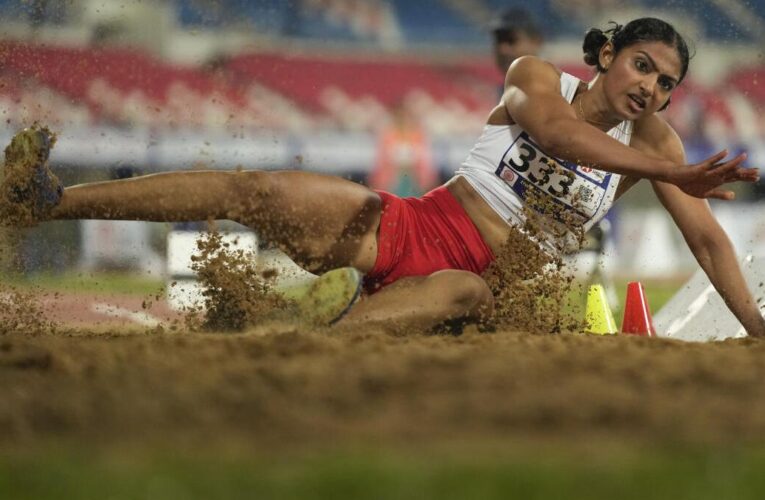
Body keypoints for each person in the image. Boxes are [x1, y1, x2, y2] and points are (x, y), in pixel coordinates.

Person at [3, 17, 764, 336]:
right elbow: (562, 135)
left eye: (666, 84)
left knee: (464, 292)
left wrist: (756, 328)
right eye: (642, 67)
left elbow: (706, 242)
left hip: (492, 287)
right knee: (258, 189)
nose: (651, 91)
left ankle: (308, 352)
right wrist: (666, 167)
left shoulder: (656, 140)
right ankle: (43, 201)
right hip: (412, 226)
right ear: (605, 58)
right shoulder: (537, 78)